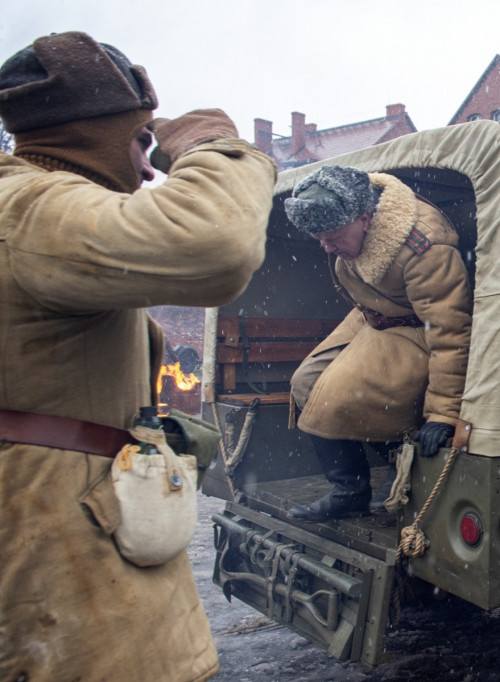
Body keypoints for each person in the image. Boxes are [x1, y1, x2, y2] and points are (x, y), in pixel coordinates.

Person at [0, 32, 276, 681]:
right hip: (63, 554)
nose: (150, 170)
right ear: (92, 137)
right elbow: (217, 244)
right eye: (141, 142)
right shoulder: (32, 210)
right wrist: (209, 144)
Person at [284, 166, 472, 522]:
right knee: (305, 383)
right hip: (372, 313)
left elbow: (451, 332)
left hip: (418, 326)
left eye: (333, 238)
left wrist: (444, 413)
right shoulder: (350, 219)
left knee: (335, 398)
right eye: (319, 238)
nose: (326, 247)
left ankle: (402, 463)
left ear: (365, 218)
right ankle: (350, 491)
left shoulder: (424, 246)